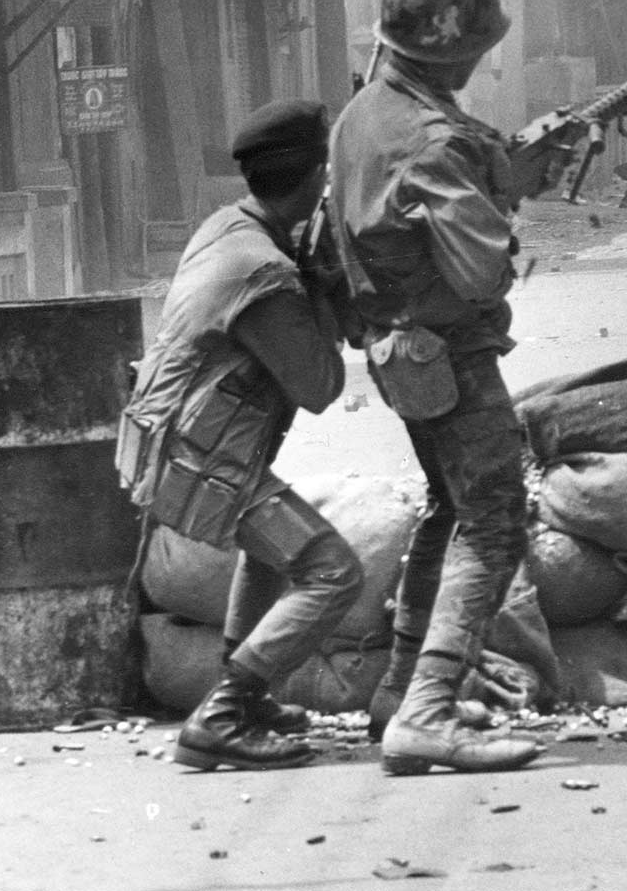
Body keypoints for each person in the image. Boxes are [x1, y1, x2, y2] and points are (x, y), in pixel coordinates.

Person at [327, 0, 559, 776]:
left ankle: (400, 690)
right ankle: (427, 712)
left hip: (399, 349)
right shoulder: (431, 139)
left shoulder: (361, 114)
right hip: (448, 352)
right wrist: (508, 195)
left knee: (447, 507)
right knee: (495, 520)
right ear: (453, 48)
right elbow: (482, 272)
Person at [117, 100, 363, 771]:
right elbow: (320, 388)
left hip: (177, 445)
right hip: (205, 461)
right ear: (315, 179)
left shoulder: (227, 227)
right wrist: (320, 278)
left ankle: (242, 692)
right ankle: (225, 709)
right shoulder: (268, 273)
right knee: (332, 571)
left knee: (269, 554)